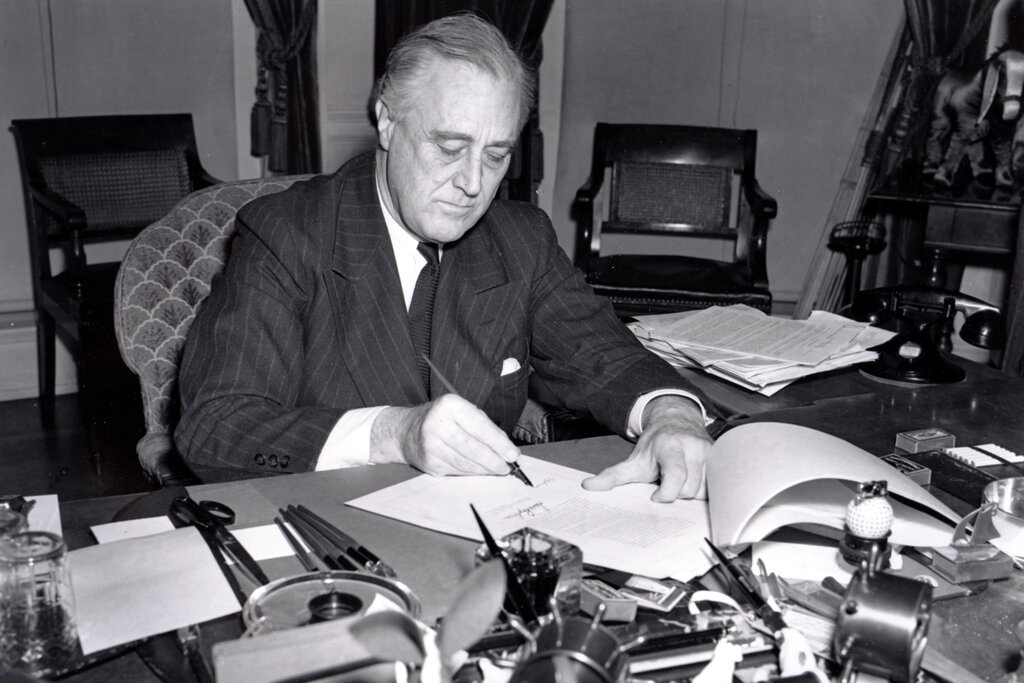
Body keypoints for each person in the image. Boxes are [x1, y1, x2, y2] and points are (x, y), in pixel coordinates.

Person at [175, 13, 715, 500]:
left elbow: (606, 357)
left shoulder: (521, 239)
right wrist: (396, 432)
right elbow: (215, 427)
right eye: (450, 149)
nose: (474, 184)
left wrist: (672, 415)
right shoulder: (288, 234)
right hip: (331, 535)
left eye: (496, 154)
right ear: (387, 120)